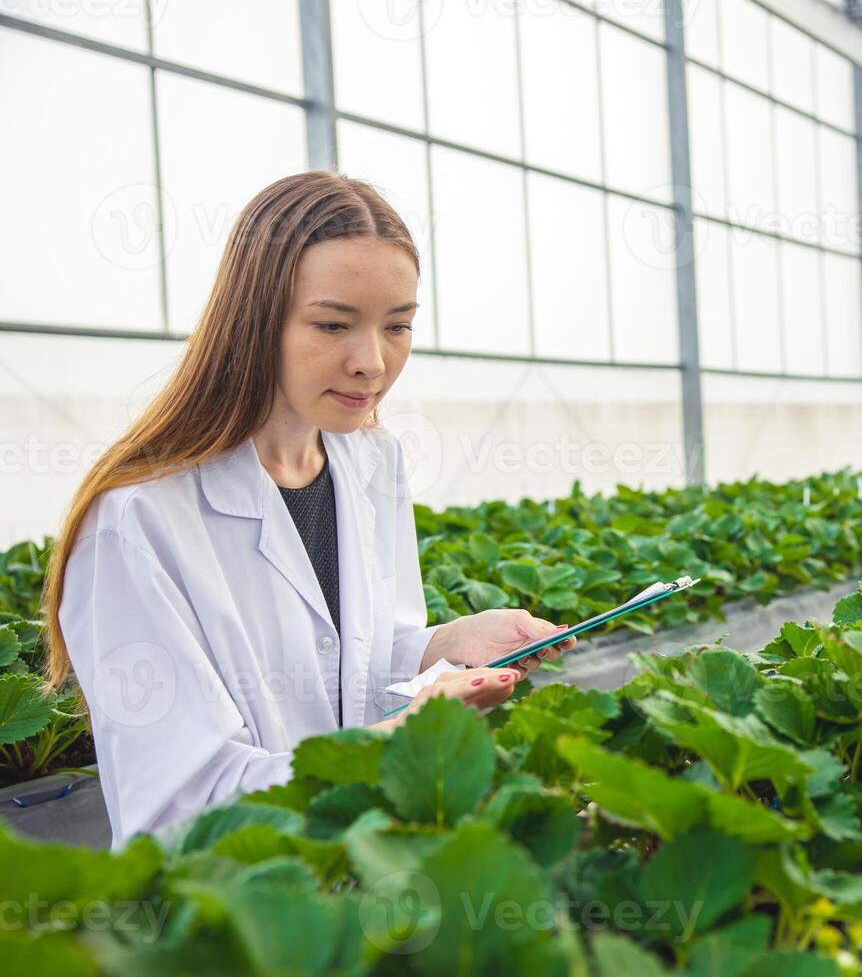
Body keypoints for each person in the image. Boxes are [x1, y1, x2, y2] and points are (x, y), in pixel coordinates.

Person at [44, 171, 573, 845]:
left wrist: (438, 649)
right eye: (332, 324)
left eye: (399, 326)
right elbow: (182, 811)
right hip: (235, 917)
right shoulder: (136, 520)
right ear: (254, 318)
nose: (373, 363)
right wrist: (401, 735)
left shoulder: (372, 462)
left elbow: (348, 670)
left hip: (367, 871)